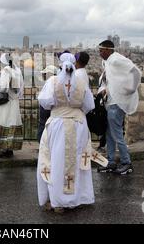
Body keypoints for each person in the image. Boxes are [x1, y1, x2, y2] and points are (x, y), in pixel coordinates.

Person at [37, 58, 107, 212]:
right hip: (78, 125)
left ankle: (57, 201)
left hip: (57, 124)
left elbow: (45, 102)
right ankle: (77, 197)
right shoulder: (81, 82)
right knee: (77, 159)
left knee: (55, 160)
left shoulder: (53, 81)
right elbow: (89, 105)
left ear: (60, 66)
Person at [97, 40, 141, 175]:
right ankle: (111, 162)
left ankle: (126, 162)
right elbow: (109, 80)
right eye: (99, 50)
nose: (100, 53)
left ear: (109, 50)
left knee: (116, 134)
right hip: (110, 102)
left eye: (102, 50)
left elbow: (136, 72)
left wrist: (130, 90)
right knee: (109, 134)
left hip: (117, 103)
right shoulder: (108, 62)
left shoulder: (116, 60)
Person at [0, 53, 24, 158]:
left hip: (5, 102)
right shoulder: (17, 70)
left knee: (3, 122)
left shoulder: (6, 70)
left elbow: (3, 88)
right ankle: (10, 149)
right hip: (14, 102)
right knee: (11, 123)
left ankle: (3, 150)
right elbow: (21, 88)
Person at [37, 65, 58, 142]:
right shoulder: (56, 82)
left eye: (45, 74)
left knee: (43, 125)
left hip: (46, 108)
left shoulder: (50, 82)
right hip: (52, 108)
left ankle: (42, 142)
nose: (43, 75)